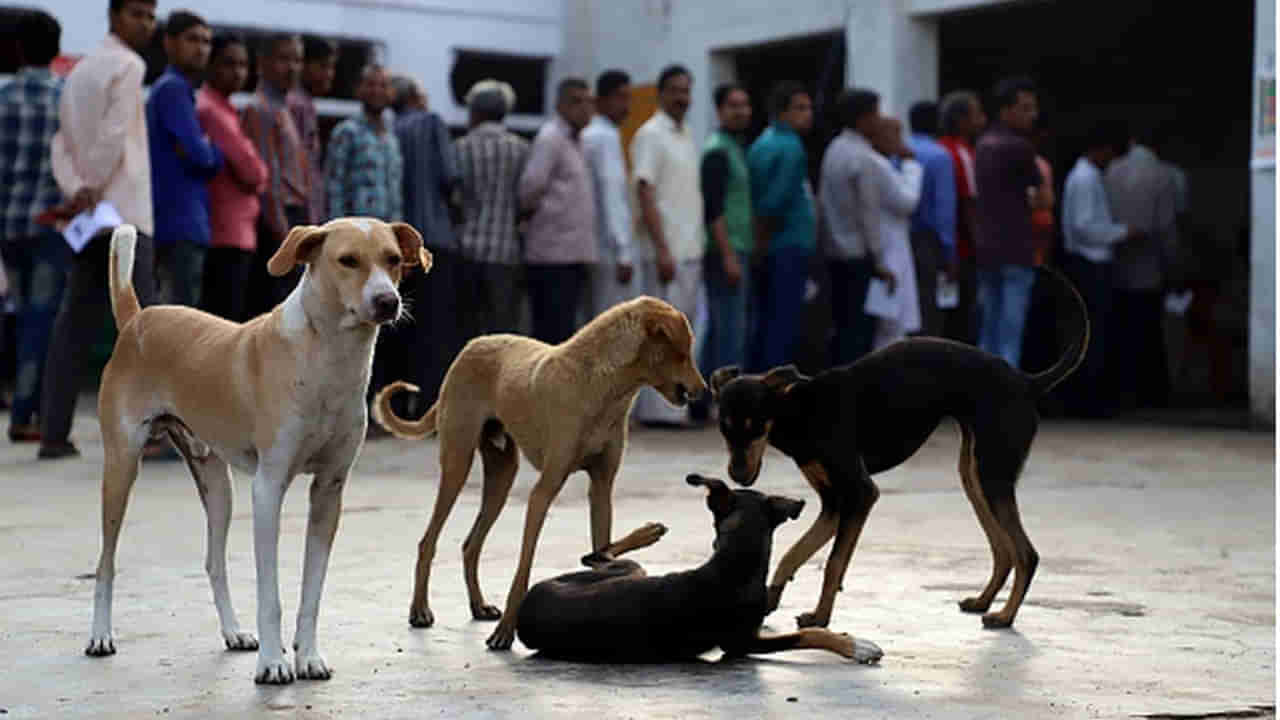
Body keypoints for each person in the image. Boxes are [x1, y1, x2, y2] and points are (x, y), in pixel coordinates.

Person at [42, 0, 158, 460]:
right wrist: (90, 184)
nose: (146, 23)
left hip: (88, 218)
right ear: (114, 17)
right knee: (145, 326)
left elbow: (60, 145)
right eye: (137, 14)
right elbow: (112, 135)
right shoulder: (130, 65)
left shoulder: (79, 72)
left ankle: (54, 433)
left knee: (73, 324)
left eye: (151, 15)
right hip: (124, 213)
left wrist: (76, 190)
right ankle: (153, 434)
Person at [0, 9, 68, 443]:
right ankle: (27, 412)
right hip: (49, 225)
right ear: (58, 50)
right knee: (42, 321)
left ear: (18, 49)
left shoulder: (4, 98)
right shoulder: (66, 98)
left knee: (21, 313)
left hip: (9, 224)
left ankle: (21, 405)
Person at [326, 64, 403, 432]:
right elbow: (334, 184)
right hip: (353, 256)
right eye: (370, 84)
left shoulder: (392, 137)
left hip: (384, 257)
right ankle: (341, 417)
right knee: (345, 333)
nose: (377, 90)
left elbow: (396, 192)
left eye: (383, 85)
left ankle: (373, 413)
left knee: (381, 331)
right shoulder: (347, 133)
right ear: (359, 90)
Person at [629, 65, 704, 427]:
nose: (682, 97)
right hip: (667, 251)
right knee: (661, 336)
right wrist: (661, 249)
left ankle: (673, 408)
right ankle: (658, 412)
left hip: (690, 249)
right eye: (675, 90)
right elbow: (645, 190)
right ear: (660, 93)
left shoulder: (686, 134)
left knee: (681, 337)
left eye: (687, 91)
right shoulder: (651, 134)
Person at [1060, 120, 1141, 418]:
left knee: (1094, 333)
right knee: (1092, 335)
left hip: (1092, 261)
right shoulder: (1085, 178)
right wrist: (1122, 233)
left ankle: (1089, 397)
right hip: (1089, 262)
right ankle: (1087, 399)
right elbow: (1084, 227)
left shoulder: (1089, 175)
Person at [391, 74, 461, 414]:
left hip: (398, 242)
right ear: (417, 97)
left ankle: (399, 401)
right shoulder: (431, 122)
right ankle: (429, 404)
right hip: (435, 238)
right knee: (434, 328)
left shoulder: (390, 129)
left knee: (401, 326)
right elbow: (449, 175)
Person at [146, 10, 221, 308]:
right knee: (180, 319)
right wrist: (215, 153)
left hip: (177, 219)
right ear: (169, 43)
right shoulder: (173, 89)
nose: (201, 48)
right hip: (179, 221)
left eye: (206, 41)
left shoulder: (177, 89)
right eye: (192, 39)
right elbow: (200, 156)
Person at [974, 76, 1048, 369]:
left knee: (988, 332)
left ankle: (981, 398)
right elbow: (1044, 199)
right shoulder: (1020, 147)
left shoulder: (983, 144)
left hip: (987, 248)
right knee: (1010, 335)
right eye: (1025, 108)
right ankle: (1005, 401)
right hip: (1016, 248)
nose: (1033, 115)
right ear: (1005, 110)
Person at [818, 88, 895, 367]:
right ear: (863, 118)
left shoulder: (833, 150)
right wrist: (880, 259)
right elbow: (868, 212)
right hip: (859, 254)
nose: (879, 119)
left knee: (840, 326)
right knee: (859, 331)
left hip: (834, 250)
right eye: (875, 113)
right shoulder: (863, 157)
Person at [1105, 127, 1180, 411]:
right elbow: (1166, 227)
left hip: (1113, 263)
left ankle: (1120, 391)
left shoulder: (1111, 169)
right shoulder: (1163, 175)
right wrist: (1172, 264)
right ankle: (1150, 394)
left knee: (1119, 330)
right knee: (1148, 333)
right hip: (1148, 266)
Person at [518, 77, 597, 345]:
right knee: (551, 337)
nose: (585, 108)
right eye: (577, 102)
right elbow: (529, 189)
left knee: (565, 335)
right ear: (560, 105)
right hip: (551, 256)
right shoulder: (550, 138)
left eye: (589, 102)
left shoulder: (577, 141)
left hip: (572, 255)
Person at [745, 81, 816, 371]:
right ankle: (773, 390)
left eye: (809, 107)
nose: (808, 114)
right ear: (781, 112)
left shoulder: (761, 143)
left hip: (767, 242)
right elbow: (776, 201)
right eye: (800, 108)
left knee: (763, 320)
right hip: (787, 243)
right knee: (782, 322)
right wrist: (763, 240)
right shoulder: (791, 147)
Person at [197, 33, 267, 323]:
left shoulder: (226, 109)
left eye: (243, 65)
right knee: (223, 321)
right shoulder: (210, 110)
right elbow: (253, 173)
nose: (238, 72)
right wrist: (260, 174)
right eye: (229, 63)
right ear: (211, 65)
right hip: (225, 234)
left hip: (236, 233)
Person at [454, 80, 529, 340]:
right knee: (502, 329)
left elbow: (455, 198)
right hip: (506, 252)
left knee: (468, 328)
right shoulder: (520, 148)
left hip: (467, 248)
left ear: (475, 112)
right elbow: (526, 198)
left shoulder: (461, 148)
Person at [240, 33, 307, 317]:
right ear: (263, 63)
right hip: (276, 225)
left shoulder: (284, 108)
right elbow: (270, 181)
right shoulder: (262, 109)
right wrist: (286, 240)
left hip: (290, 219)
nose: (292, 67)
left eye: (297, 59)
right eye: (284, 58)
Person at [699, 84, 753, 386]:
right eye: (733, 105)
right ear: (719, 111)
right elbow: (713, 208)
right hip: (725, 250)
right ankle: (725, 397)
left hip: (737, 247)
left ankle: (702, 398)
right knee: (729, 330)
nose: (741, 111)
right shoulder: (717, 151)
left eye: (745, 105)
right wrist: (729, 255)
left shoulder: (735, 147)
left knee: (724, 329)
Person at [580, 70, 635, 321]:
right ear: (600, 100)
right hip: (608, 248)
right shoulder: (604, 136)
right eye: (620, 98)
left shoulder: (587, 134)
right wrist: (624, 252)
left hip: (590, 244)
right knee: (607, 325)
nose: (627, 106)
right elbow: (612, 195)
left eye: (628, 98)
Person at [869, 115, 925, 349]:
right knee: (889, 324)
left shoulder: (885, 164)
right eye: (895, 133)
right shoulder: (878, 164)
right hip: (887, 251)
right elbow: (907, 201)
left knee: (895, 322)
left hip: (893, 247)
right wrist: (912, 166)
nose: (900, 141)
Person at [937, 90, 987, 344]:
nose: (983, 119)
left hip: (939, 249)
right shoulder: (961, 153)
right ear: (961, 120)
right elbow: (969, 205)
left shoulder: (937, 149)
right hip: (962, 252)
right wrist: (981, 249)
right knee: (963, 322)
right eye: (977, 113)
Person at [906, 100, 956, 338]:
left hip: (900, 237)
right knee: (928, 307)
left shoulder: (898, 149)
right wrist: (949, 252)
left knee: (905, 308)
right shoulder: (940, 156)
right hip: (928, 242)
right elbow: (944, 210)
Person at [288, 35, 336, 225]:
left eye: (332, 67)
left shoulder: (304, 103)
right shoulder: (298, 105)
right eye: (323, 66)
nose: (330, 74)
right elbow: (301, 167)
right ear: (304, 66)